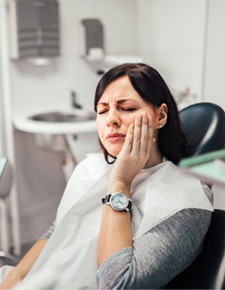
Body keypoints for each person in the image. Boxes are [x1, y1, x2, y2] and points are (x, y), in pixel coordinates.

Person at [0, 63, 213, 289]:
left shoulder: (187, 201)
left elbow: (118, 284)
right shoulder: (90, 167)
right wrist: (14, 278)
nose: (111, 119)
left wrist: (120, 183)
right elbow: (58, 230)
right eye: (102, 110)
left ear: (160, 116)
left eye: (128, 108)